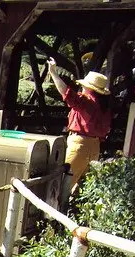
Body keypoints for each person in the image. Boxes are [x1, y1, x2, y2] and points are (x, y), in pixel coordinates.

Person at [47, 59, 112, 193]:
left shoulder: (87, 102)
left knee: (61, 182)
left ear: (89, 88)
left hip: (80, 145)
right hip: (94, 147)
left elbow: (66, 92)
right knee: (80, 188)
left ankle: (51, 212)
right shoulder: (104, 107)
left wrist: (53, 73)